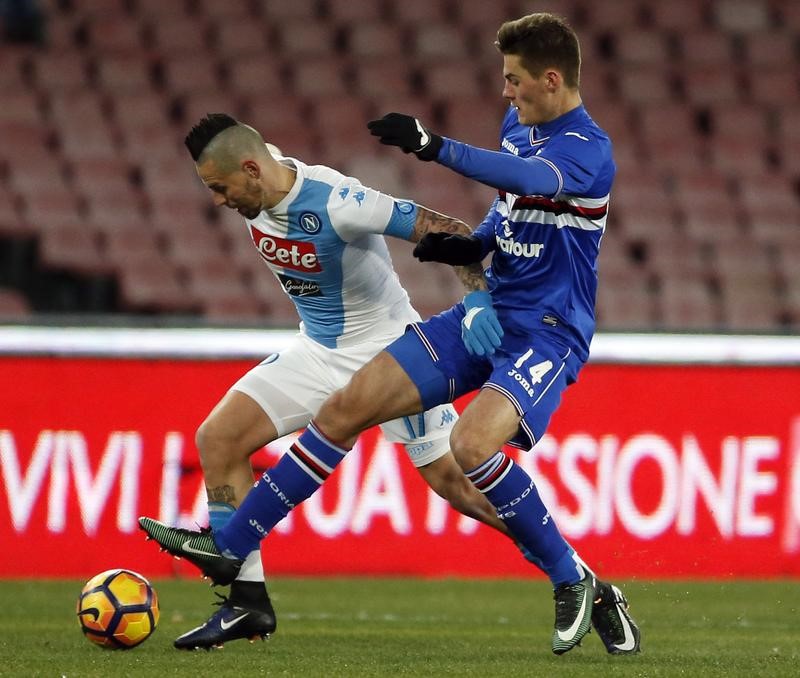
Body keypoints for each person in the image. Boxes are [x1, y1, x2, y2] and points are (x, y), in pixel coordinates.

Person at [140, 12, 641, 656]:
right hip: (449, 320)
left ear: (551, 79)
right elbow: (507, 211)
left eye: (514, 81)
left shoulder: (588, 150)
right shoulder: (520, 125)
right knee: (334, 413)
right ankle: (233, 563)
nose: (506, 94)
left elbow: (528, 182)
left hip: (547, 329)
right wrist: (477, 251)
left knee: (465, 461)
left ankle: (577, 578)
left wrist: (434, 148)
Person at [143, 112, 553, 650]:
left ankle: (566, 566)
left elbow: (445, 227)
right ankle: (246, 604)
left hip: (392, 356)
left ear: (249, 169)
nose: (219, 201)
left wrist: (475, 297)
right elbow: (258, 154)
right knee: (218, 438)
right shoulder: (258, 186)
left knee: (459, 487)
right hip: (318, 351)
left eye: (220, 189)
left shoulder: (337, 198)